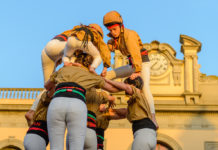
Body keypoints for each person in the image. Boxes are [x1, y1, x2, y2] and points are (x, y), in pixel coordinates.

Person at [45, 52, 119, 150]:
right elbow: (113, 89)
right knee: (76, 146)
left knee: (55, 147)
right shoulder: (90, 74)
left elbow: (47, 86)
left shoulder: (63, 69)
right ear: (90, 65)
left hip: (57, 101)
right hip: (77, 103)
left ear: (75, 60)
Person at [103, 10, 158, 128]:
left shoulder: (129, 35)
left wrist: (138, 71)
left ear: (121, 26)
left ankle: (153, 117)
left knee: (145, 87)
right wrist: (105, 66)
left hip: (142, 63)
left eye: (114, 29)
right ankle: (103, 101)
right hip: (132, 65)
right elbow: (106, 51)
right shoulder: (115, 39)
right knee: (107, 75)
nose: (112, 32)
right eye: (110, 30)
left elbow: (135, 53)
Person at [105, 77, 157, 150]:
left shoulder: (137, 92)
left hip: (142, 134)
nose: (122, 88)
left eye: (125, 84)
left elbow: (127, 87)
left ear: (133, 85)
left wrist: (107, 80)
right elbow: (125, 111)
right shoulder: (138, 102)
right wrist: (111, 110)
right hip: (151, 135)